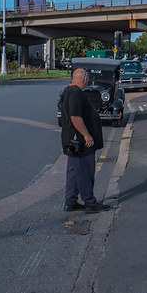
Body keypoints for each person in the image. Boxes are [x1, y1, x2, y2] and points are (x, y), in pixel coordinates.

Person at [60, 68, 108, 213]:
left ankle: (71, 201)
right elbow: (76, 117)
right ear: (85, 79)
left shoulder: (68, 91)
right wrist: (87, 135)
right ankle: (89, 202)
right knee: (85, 172)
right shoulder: (75, 93)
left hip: (73, 141)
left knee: (74, 171)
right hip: (81, 142)